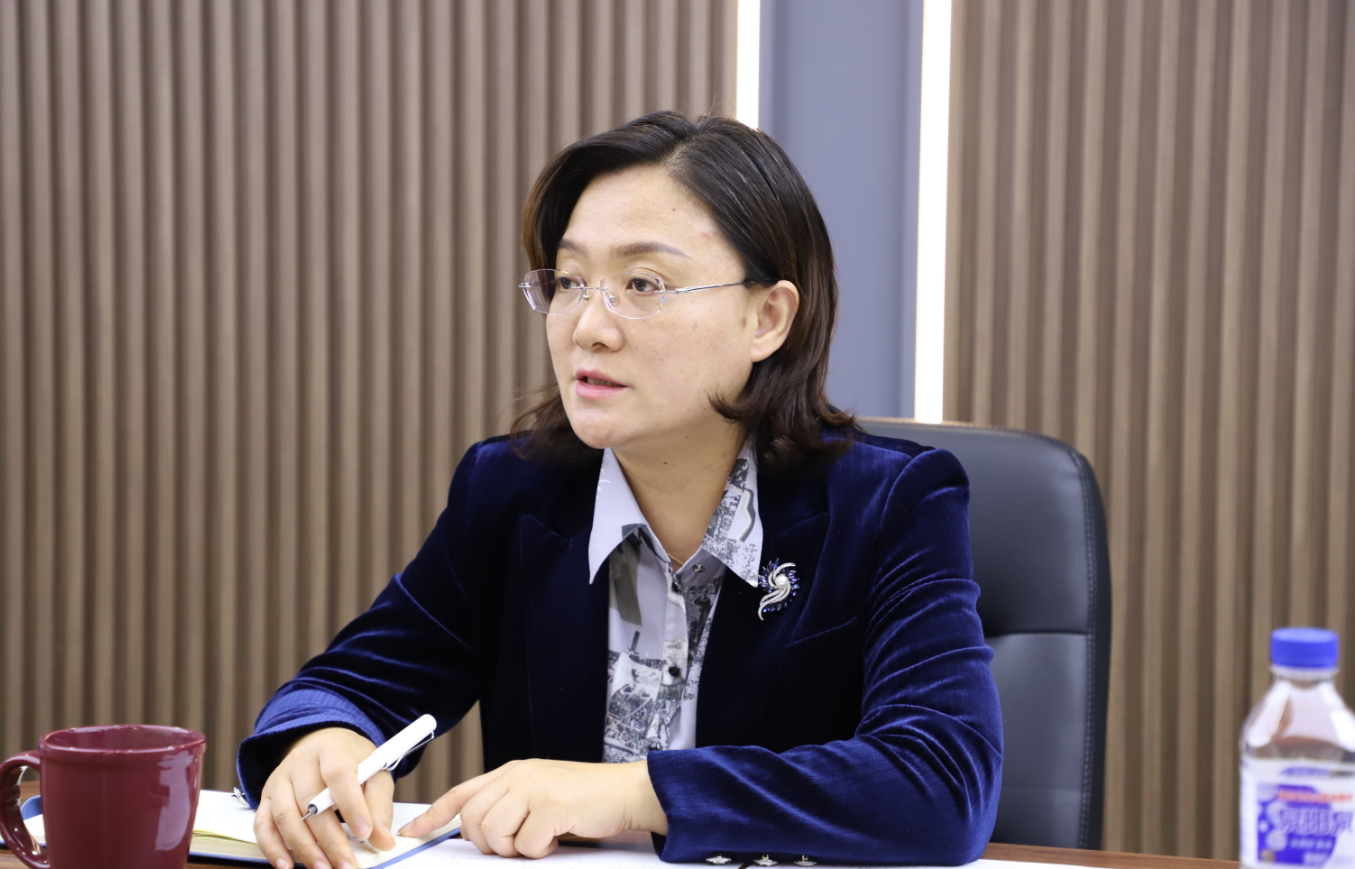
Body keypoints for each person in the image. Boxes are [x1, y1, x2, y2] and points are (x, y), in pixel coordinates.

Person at [237, 111, 1003, 869]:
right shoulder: (512, 493)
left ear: (766, 317)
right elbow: (351, 682)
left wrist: (635, 792)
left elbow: (940, 783)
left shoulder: (891, 504)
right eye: (571, 281)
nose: (587, 328)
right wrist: (323, 737)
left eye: (642, 283)